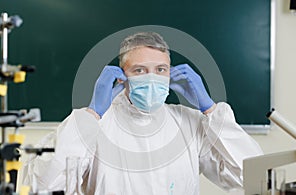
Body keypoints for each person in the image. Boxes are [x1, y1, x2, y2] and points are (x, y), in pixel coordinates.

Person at [22, 32, 263, 194]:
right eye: (139, 70)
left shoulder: (189, 122)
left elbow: (251, 176)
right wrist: (92, 114)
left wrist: (211, 109)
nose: (152, 78)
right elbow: (43, 185)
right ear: (121, 76)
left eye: (161, 69)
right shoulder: (93, 124)